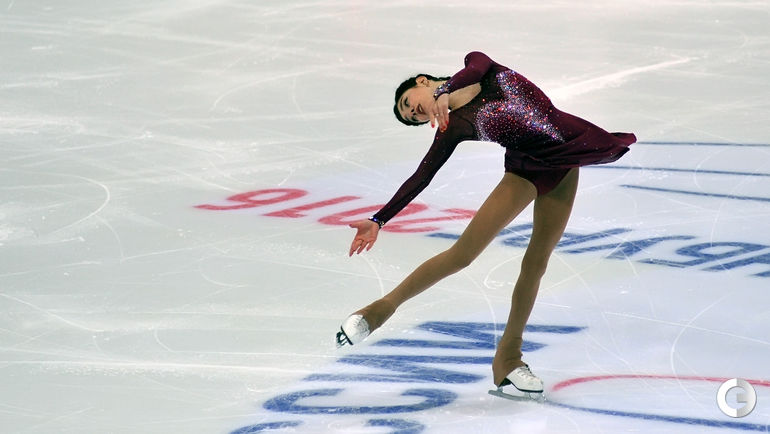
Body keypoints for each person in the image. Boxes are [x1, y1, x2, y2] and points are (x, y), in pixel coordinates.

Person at [335, 51, 636, 395]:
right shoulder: (453, 126)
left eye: (408, 103)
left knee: (537, 262)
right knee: (463, 254)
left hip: (566, 157)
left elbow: (476, 67)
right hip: (526, 169)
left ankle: (508, 360)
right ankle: (376, 312)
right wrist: (379, 219)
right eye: (412, 118)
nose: (414, 112)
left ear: (422, 81)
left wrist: (445, 91)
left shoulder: (480, 68)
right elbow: (422, 176)